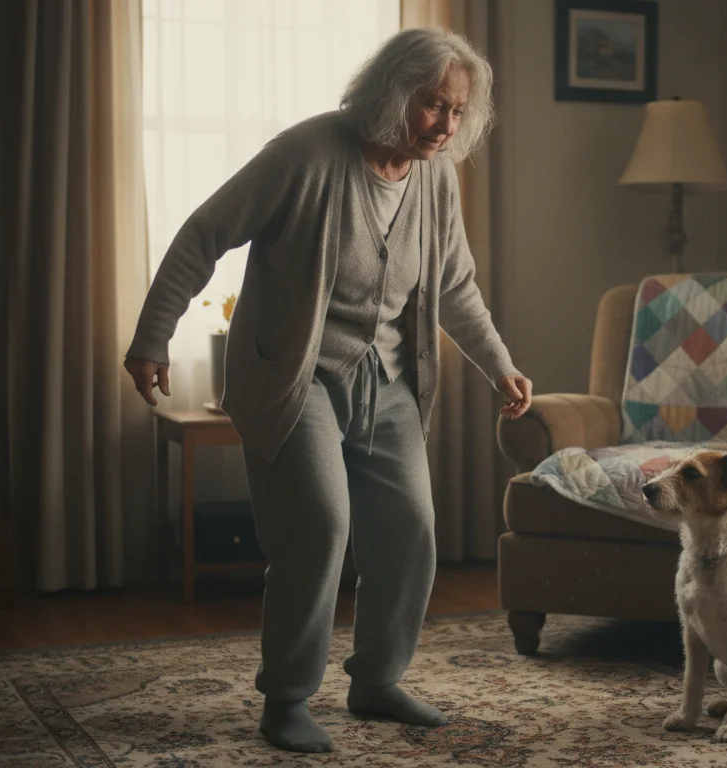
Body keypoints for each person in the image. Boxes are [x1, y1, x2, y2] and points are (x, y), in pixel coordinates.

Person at [122, 27, 532, 754]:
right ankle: (286, 697)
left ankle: (377, 680)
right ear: (392, 93)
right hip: (297, 374)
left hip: (391, 379)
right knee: (317, 527)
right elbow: (204, 232)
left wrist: (499, 364)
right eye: (432, 104)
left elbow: (454, 284)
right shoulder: (307, 153)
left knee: (410, 530)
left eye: (457, 110)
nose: (445, 124)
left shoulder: (435, 177)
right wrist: (155, 335)